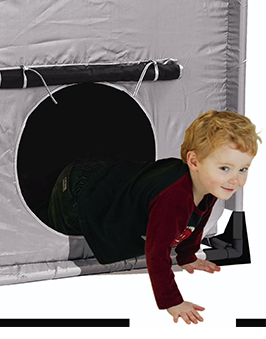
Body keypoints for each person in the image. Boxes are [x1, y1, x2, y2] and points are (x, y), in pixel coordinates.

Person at [47, 110, 261, 324]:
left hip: (111, 172)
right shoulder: (173, 198)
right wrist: (172, 301)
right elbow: (156, 252)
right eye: (225, 168)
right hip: (80, 186)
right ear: (194, 162)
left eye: (243, 169)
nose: (235, 180)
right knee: (61, 229)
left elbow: (197, 220)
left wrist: (188, 256)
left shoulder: (210, 184)